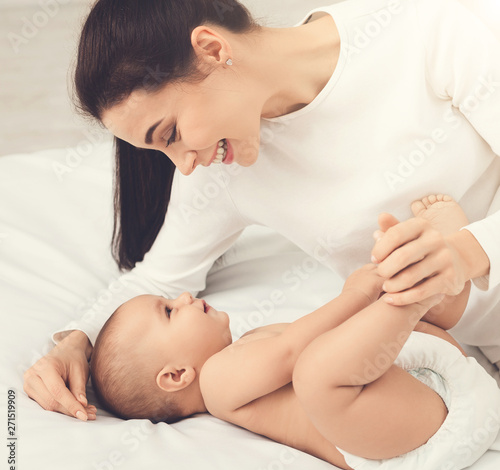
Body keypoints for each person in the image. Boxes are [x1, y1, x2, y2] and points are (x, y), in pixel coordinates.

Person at [23, 0, 500, 422]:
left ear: (211, 49)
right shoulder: (224, 170)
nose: (184, 166)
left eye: (170, 134)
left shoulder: (424, 30)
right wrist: (77, 343)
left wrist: (465, 252)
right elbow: (158, 280)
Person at [89, 195, 500, 470]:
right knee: (314, 373)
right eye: (168, 311)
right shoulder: (216, 383)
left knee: (350, 344)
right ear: (176, 374)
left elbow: (334, 345)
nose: (184, 297)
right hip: (404, 437)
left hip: (421, 383)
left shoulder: (247, 342)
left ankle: (430, 273)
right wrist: (357, 294)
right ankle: (419, 287)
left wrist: (368, 296)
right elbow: (291, 354)